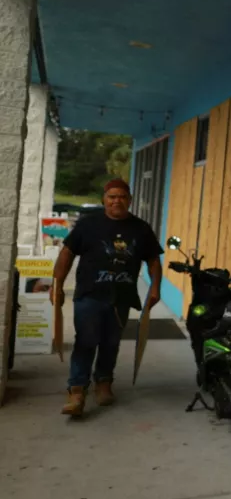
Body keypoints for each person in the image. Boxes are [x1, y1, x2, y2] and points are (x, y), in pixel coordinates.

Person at [50, 178, 163, 416]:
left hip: (121, 297)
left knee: (111, 343)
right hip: (89, 294)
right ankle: (77, 391)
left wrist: (155, 287)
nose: (116, 201)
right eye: (112, 197)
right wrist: (56, 284)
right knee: (86, 341)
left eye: (122, 196)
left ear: (129, 200)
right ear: (104, 200)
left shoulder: (141, 228)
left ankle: (104, 384)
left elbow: (153, 259)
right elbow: (67, 253)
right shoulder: (87, 225)